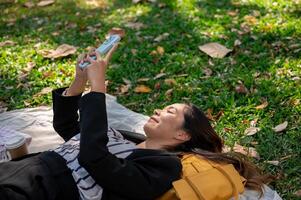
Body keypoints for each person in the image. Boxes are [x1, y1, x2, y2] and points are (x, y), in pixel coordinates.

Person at [0, 29, 271, 200]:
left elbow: (93, 156)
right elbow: (67, 125)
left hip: (37, 190)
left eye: (169, 111)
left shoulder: (164, 168)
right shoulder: (126, 139)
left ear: (182, 134)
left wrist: (98, 88)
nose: (157, 110)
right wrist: (80, 80)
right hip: (16, 172)